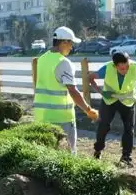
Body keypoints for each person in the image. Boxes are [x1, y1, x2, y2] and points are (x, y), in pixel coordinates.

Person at [32, 26, 98, 154]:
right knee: (67, 155)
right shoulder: (64, 63)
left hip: (41, 116)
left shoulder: (42, 59)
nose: (71, 47)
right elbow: (73, 91)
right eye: (70, 43)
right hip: (61, 118)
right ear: (63, 42)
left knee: (46, 154)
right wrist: (88, 110)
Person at [88, 51, 136, 166]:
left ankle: (126, 157)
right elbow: (90, 78)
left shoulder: (135, 67)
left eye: (126, 67)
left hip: (127, 100)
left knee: (129, 128)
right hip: (109, 100)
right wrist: (102, 92)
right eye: (121, 69)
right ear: (115, 66)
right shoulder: (107, 68)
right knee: (104, 125)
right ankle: (98, 150)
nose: (124, 71)